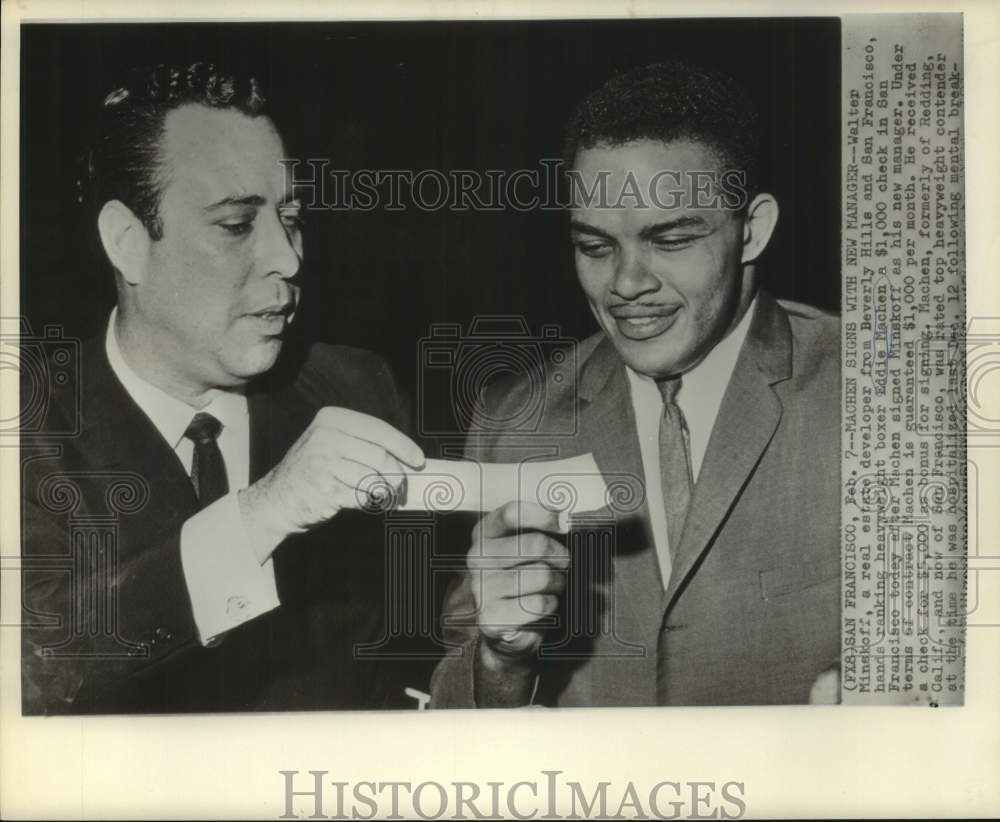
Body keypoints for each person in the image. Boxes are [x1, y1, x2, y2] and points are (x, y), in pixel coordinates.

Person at [430, 60, 840, 707]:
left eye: (670, 239)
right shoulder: (514, 422)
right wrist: (500, 659)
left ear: (752, 229)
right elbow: (454, 711)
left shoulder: (878, 395)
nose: (625, 284)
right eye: (594, 247)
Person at [21, 62, 427, 714]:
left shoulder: (356, 389)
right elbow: (38, 673)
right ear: (128, 244)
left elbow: (411, 666)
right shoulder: (28, 436)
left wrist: (495, 656)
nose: (289, 259)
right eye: (237, 225)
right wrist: (260, 515)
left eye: (290, 216)